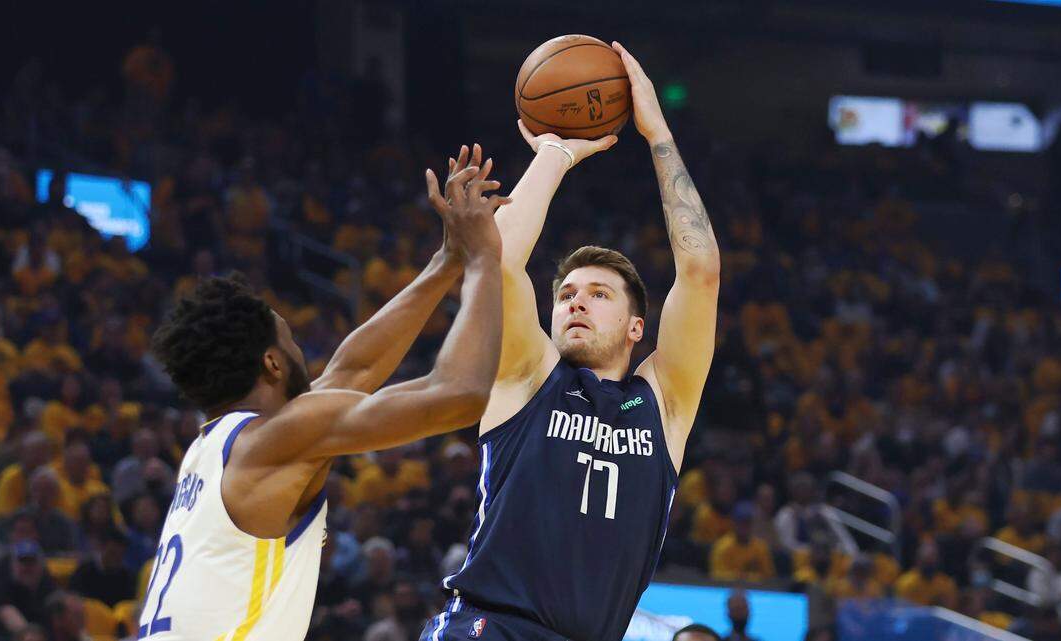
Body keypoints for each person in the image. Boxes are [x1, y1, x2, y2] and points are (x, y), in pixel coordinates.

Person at [137, 148, 507, 641]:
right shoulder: (273, 441)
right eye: (291, 341)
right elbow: (460, 393)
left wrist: (446, 261)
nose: (304, 353)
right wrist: (483, 259)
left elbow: (351, 372)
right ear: (272, 364)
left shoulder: (214, 449)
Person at [423, 41, 720, 641]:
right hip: (491, 627)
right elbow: (497, 259)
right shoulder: (528, 375)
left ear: (637, 329)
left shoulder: (664, 403)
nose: (576, 302)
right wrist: (555, 153)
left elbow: (700, 271)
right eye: (565, 295)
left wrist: (658, 134)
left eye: (599, 294)